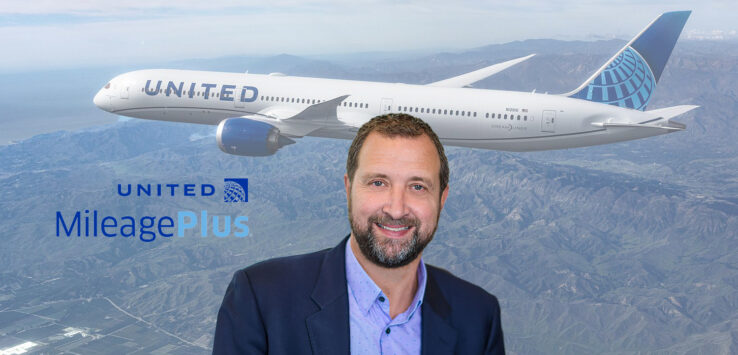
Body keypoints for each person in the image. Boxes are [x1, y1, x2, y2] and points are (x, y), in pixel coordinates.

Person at [213, 114, 505, 354]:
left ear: (441, 200)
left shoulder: (478, 315)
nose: (396, 208)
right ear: (348, 189)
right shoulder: (262, 299)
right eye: (378, 183)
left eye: (418, 187)